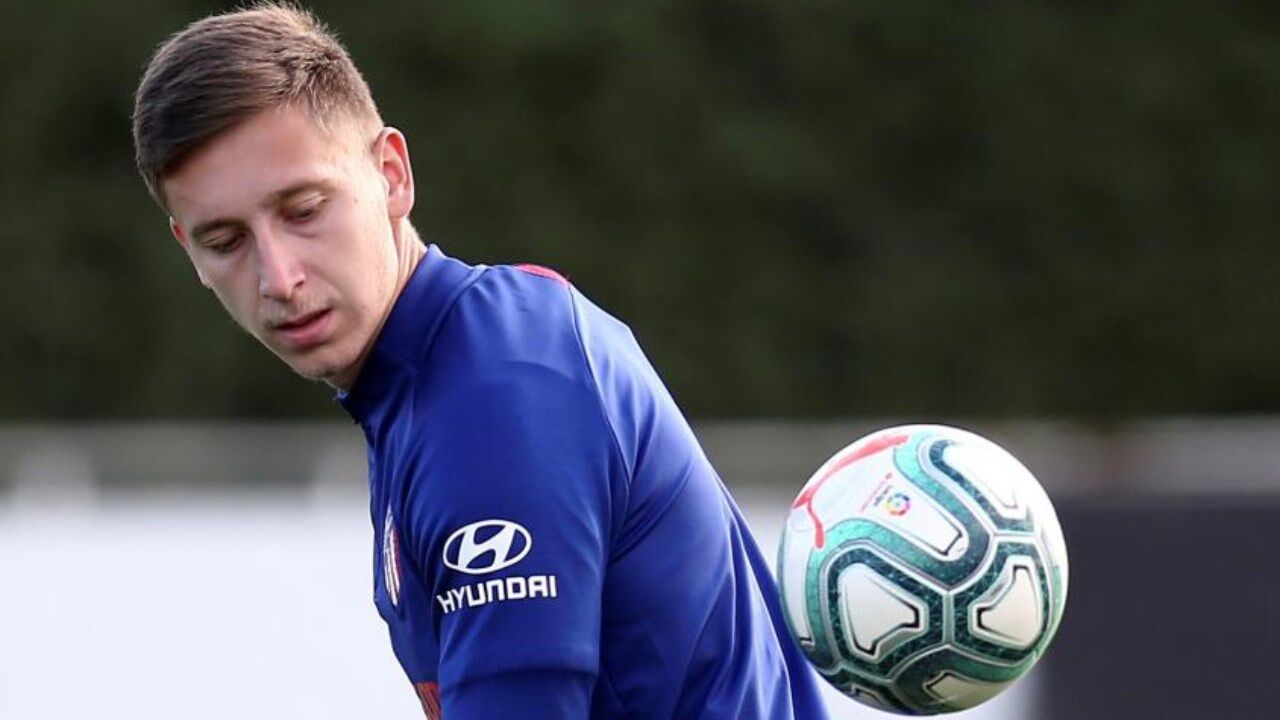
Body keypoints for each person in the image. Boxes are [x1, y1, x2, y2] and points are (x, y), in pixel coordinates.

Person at [132, 4, 828, 719]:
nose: (279, 277)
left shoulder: (495, 399)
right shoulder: (434, 376)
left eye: (304, 210)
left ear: (392, 175)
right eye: (227, 242)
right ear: (190, 252)